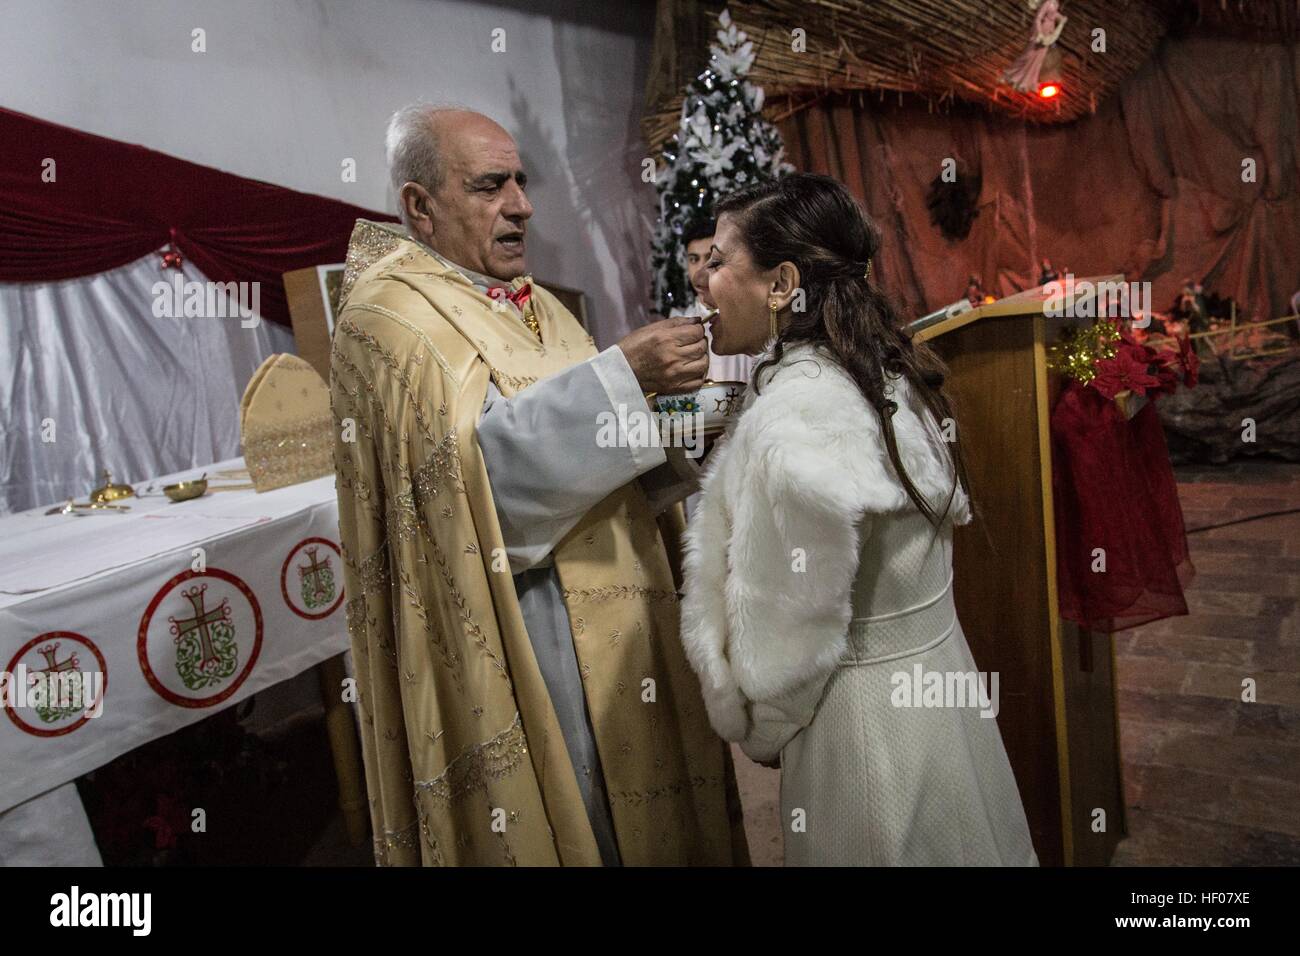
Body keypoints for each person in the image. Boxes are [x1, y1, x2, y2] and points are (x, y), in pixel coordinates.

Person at [330, 105, 748, 866]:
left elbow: (601, 451)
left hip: (627, 611)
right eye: (491, 185)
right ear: (420, 206)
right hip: (530, 625)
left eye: (521, 182)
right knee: (581, 819)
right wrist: (622, 377)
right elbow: (474, 491)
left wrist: (683, 425)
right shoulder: (389, 320)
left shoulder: (536, 301)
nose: (521, 204)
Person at [679, 172, 1038, 866]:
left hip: (862, 738)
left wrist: (760, 727)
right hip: (941, 700)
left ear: (782, 284)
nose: (700, 277)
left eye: (717, 259)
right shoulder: (883, 372)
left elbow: (787, 642)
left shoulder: (792, 425)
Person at [671, 217, 759, 385]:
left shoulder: (749, 322)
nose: (701, 269)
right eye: (694, 259)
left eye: (710, 259)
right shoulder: (678, 327)